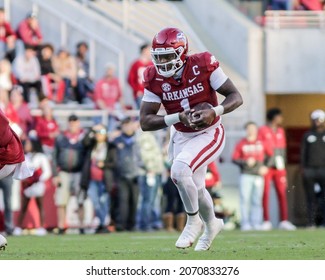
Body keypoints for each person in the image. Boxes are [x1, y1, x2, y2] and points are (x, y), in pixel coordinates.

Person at [139, 27, 243, 251]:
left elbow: (236, 96)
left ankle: (194, 220)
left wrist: (214, 111)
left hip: (209, 132)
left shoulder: (203, 63)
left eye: (168, 56)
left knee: (179, 170)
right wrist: (177, 117)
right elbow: (145, 121)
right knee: (195, 186)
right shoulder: (153, 77)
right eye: (159, 57)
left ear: (181, 53)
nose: (163, 62)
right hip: (181, 134)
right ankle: (212, 224)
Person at [258, 108, 296, 230]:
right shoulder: (263, 130)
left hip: (279, 167)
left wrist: (283, 165)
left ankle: (284, 220)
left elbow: (283, 148)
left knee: (282, 193)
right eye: (279, 116)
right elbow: (260, 148)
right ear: (274, 117)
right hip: (267, 167)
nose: (281, 119)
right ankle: (266, 221)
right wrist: (262, 164)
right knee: (265, 193)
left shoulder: (280, 130)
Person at [232, 121, 270, 231]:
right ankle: (246, 222)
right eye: (249, 129)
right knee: (245, 199)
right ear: (246, 130)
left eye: (253, 128)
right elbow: (234, 159)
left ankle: (256, 222)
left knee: (257, 199)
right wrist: (245, 162)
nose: (251, 131)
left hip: (258, 175)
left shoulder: (262, 142)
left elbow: (270, 155)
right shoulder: (241, 143)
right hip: (246, 174)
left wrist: (266, 167)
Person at [52, 114, 86, 234]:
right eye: (71, 122)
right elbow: (54, 157)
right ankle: (61, 226)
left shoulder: (83, 137)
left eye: (75, 122)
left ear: (78, 123)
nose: (73, 125)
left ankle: (82, 225)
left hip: (79, 172)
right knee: (61, 200)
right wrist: (55, 174)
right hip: (64, 172)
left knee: (80, 200)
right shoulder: (61, 138)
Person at [81, 123, 117, 234]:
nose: (98, 135)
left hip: (104, 179)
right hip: (92, 179)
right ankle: (103, 224)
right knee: (95, 202)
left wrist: (104, 164)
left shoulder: (110, 146)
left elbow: (114, 163)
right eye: (97, 133)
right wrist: (92, 129)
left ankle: (103, 224)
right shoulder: (92, 145)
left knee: (103, 202)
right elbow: (84, 141)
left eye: (101, 132)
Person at [13, 134, 52, 236]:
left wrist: (38, 179)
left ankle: (41, 227)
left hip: (38, 185)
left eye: (29, 143)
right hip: (27, 186)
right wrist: (25, 180)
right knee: (24, 207)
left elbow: (47, 172)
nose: (26, 145)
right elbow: (20, 171)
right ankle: (18, 227)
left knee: (40, 206)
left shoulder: (41, 157)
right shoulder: (24, 157)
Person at [113, 117, 141, 232]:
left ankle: (132, 224)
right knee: (122, 200)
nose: (127, 127)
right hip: (122, 174)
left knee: (134, 200)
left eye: (129, 125)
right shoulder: (117, 140)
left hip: (136, 174)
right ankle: (122, 224)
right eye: (125, 125)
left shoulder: (138, 139)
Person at [300, 109, 325, 228]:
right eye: (315, 120)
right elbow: (303, 153)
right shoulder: (307, 135)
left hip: (323, 170)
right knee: (311, 198)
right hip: (310, 170)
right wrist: (303, 169)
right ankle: (311, 222)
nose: (317, 122)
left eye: (320, 120)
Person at [127, 43, 152, 109]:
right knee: (143, 114)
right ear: (144, 50)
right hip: (140, 94)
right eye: (149, 49)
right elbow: (130, 79)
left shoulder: (151, 64)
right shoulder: (136, 64)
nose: (150, 52)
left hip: (151, 93)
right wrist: (137, 90)